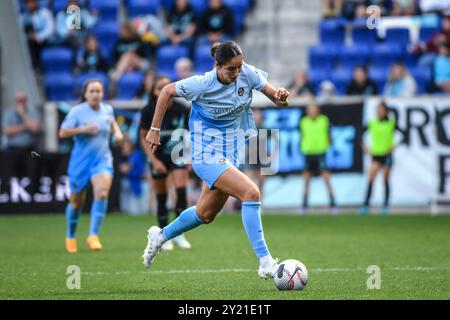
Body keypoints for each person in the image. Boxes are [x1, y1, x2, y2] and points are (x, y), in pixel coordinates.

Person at [142, 41, 290, 279]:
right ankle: (265, 262)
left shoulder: (247, 73)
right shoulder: (201, 84)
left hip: (230, 153)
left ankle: (160, 236)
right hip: (205, 154)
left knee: (205, 214)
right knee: (251, 193)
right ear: (217, 66)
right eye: (231, 68)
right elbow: (166, 91)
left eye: (240, 66)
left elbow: (277, 98)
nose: (238, 72)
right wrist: (154, 129)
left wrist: (281, 96)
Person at [59, 80, 124, 253]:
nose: (96, 94)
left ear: (103, 94)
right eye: (92, 91)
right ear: (86, 94)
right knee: (76, 201)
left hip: (102, 160)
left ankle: (93, 235)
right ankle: (71, 236)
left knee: (102, 193)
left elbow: (112, 123)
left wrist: (117, 133)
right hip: (80, 162)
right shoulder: (77, 112)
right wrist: (82, 130)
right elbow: (62, 132)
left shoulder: (107, 110)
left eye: (99, 91)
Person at [139, 76, 192, 251]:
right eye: (158, 88)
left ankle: (179, 234)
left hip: (177, 155)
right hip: (158, 157)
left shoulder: (182, 109)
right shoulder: (148, 110)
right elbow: (143, 137)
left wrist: (189, 156)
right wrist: (154, 161)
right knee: (162, 198)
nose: (163, 90)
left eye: (166, 87)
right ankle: (164, 236)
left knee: (181, 193)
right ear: (153, 92)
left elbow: (187, 133)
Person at [359, 101, 396, 215]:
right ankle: (366, 204)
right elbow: (360, 134)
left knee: (385, 179)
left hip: (387, 154)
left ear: (386, 111)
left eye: (381, 109)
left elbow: (403, 135)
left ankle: (385, 205)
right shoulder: (372, 123)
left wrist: (394, 146)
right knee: (371, 178)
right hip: (376, 154)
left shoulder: (391, 123)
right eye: (378, 109)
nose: (379, 111)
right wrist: (364, 146)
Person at [299, 103, 337, 214]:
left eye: (314, 109)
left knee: (326, 178)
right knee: (306, 179)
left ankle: (333, 203)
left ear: (318, 110)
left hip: (321, 153)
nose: (312, 111)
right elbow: (302, 136)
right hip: (308, 153)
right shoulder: (303, 121)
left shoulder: (324, 120)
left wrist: (329, 144)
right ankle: (304, 204)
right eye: (310, 109)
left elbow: (329, 135)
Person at [20, 0, 55, 72]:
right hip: (29, 42)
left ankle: (38, 68)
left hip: (45, 41)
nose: (29, 5)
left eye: (31, 2)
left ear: (36, 3)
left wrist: (38, 36)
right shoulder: (23, 17)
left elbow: (50, 29)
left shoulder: (45, 13)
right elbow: (20, 32)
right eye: (27, 3)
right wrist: (28, 36)